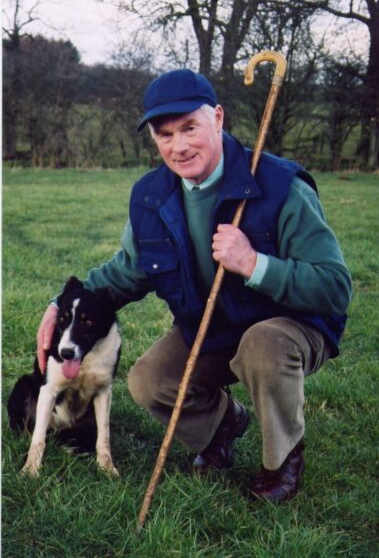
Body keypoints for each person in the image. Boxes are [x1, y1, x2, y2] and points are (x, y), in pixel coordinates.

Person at [37, 69, 352, 502]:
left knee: (263, 343)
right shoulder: (151, 196)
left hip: (291, 327)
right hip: (216, 326)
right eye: (164, 135)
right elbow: (125, 272)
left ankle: (282, 460)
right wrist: (61, 302)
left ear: (218, 118)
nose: (179, 146)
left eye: (190, 127)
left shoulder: (282, 186)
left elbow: (335, 288)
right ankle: (223, 424)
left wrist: (255, 263)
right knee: (149, 379)